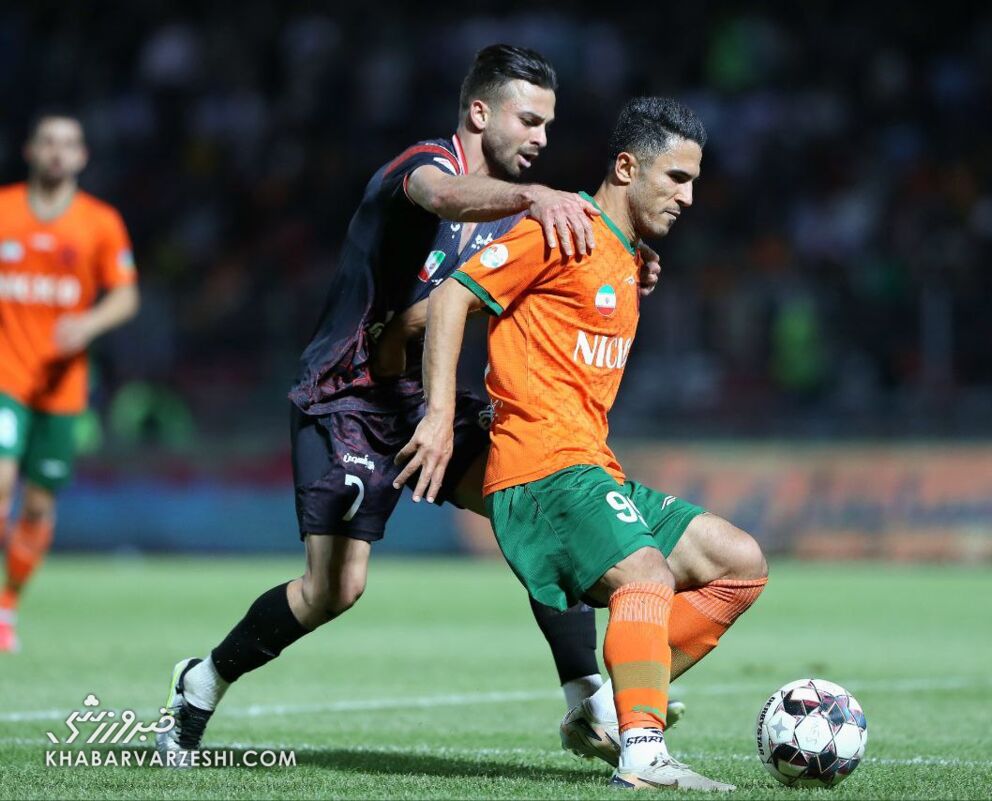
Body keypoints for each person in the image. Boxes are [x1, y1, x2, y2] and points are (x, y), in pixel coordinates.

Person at [157, 45, 665, 759]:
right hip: (346, 398)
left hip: (425, 394)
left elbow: (498, 295)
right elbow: (442, 197)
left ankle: (589, 702)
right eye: (529, 120)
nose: (542, 138)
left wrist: (623, 259)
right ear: (480, 112)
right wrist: (539, 196)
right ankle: (202, 681)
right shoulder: (426, 166)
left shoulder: (514, 222)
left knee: (543, 501)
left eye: (549, 125)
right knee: (333, 590)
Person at [396, 97, 768, 791]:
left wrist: (635, 261)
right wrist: (439, 417)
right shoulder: (562, 227)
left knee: (738, 563)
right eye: (676, 178)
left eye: (694, 181)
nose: (689, 197)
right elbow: (450, 298)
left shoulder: (625, 253)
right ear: (626, 167)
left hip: (593, 466)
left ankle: (609, 707)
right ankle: (643, 751)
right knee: (647, 577)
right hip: (542, 468)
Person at [0, 113, 140, 653]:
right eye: (48, 142)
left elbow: (126, 295)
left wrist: (88, 323)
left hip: (62, 388)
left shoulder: (99, 222)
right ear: (30, 150)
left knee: (37, 507)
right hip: (6, 376)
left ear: (82, 156)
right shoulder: (5, 210)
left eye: (68, 144)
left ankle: (7, 606)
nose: (58, 152)